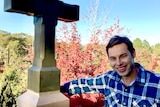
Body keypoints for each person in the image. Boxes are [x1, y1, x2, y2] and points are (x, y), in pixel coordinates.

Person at [61, 35, 160, 106]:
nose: (118, 63)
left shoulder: (156, 84)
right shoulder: (108, 79)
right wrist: (55, 89)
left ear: (133, 54)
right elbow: (82, 85)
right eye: (113, 58)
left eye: (123, 56)